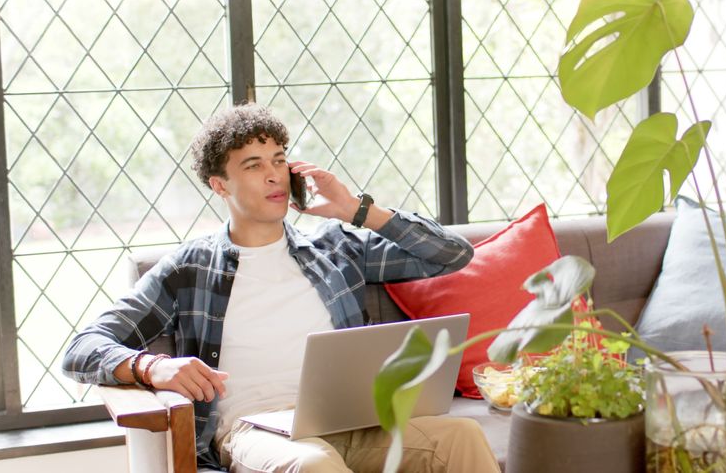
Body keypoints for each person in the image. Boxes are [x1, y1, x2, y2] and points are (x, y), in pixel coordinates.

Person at [62, 103, 499, 472]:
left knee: (460, 435)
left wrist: (354, 208)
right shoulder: (188, 268)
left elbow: (452, 255)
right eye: (254, 165)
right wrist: (151, 367)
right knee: (312, 465)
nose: (274, 175)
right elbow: (82, 348)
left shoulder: (335, 246)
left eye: (278, 159)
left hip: (355, 421)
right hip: (256, 430)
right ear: (219, 185)